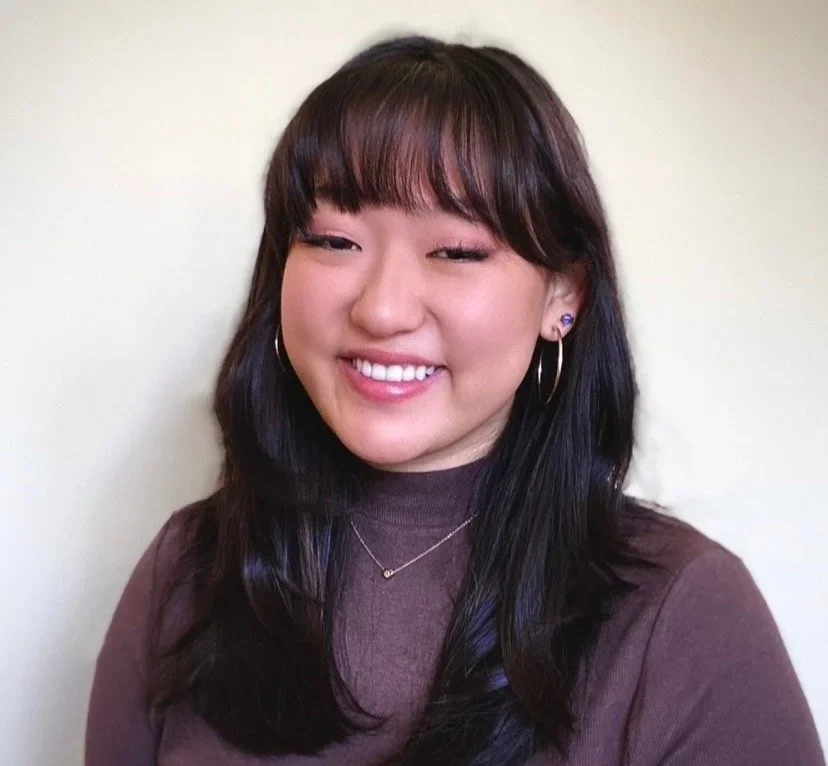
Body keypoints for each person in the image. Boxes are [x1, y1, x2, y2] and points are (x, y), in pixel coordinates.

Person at [85, 35, 825, 766]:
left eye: (458, 251)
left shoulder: (685, 614)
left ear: (562, 295)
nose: (382, 309)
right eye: (336, 240)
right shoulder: (188, 571)